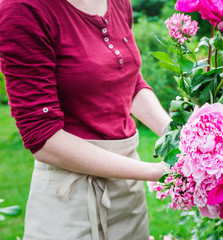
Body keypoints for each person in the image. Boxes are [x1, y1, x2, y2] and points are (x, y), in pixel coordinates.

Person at [0, 0, 172, 239]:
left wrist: (179, 138)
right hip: (70, 200)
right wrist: (156, 172)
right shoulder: (23, 8)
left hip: (129, 189)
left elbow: (130, 84)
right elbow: (43, 137)